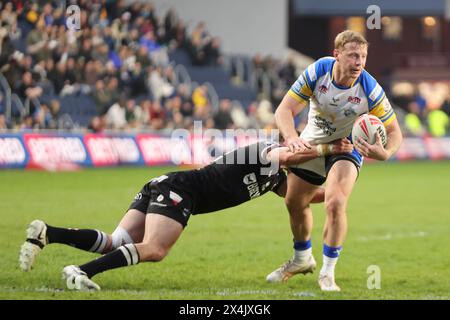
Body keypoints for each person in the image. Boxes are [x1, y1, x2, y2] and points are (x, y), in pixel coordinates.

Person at [19, 139, 352, 291]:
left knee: (117, 242)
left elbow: (301, 198)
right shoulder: (266, 151)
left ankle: (47, 233)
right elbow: (285, 156)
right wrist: (326, 149)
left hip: (166, 182)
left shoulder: (277, 178)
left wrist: (338, 194)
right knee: (155, 249)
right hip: (182, 189)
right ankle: (79, 271)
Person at [265, 30, 403, 291]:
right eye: (353, 55)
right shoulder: (318, 72)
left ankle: (327, 273)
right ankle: (301, 258)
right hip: (314, 143)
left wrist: (386, 153)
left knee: (336, 202)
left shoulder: (370, 88)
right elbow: (284, 110)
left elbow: (395, 131)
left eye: (363, 56)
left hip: (347, 149)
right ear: (336, 54)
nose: (359, 62)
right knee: (294, 201)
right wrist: (292, 137)